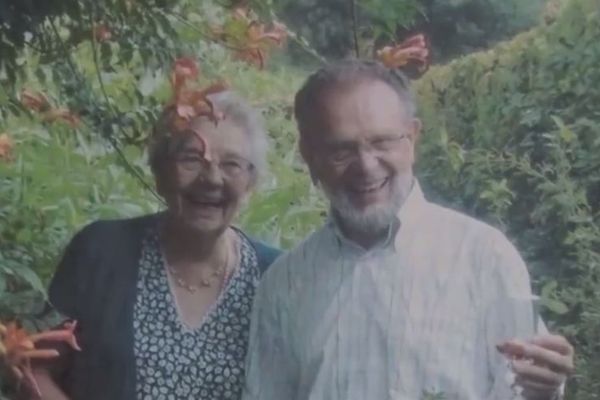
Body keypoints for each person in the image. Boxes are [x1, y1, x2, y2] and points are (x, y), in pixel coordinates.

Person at [242, 61, 575, 400]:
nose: (366, 165)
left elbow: (522, 390)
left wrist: (542, 388)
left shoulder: (484, 257)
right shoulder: (284, 285)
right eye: (341, 150)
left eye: (382, 141)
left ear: (413, 137)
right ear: (309, 157)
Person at [29, 90, 280, 400]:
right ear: (160, 171)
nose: (212, 178)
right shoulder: (100, 251)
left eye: (232, 165)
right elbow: (34, 367)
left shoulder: (275, 278)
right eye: (191, 159)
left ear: (250, 184)